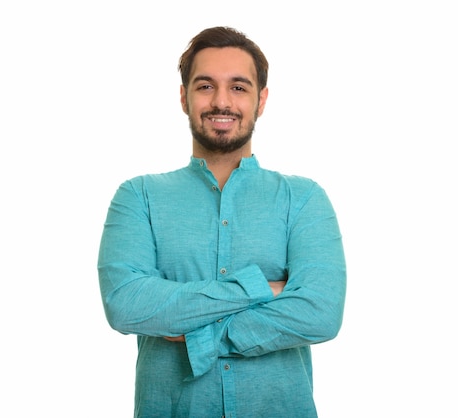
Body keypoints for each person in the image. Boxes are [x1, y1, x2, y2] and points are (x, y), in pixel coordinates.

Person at [97, 26, 347, 417]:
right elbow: (127, 305)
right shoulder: (138, 197)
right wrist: (261, 288)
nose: (221, 101)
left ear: (261, 100)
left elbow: (320, 312)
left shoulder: (303, 198)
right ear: (184, 97)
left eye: (239, 87)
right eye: (205, 86)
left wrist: (200, 331)